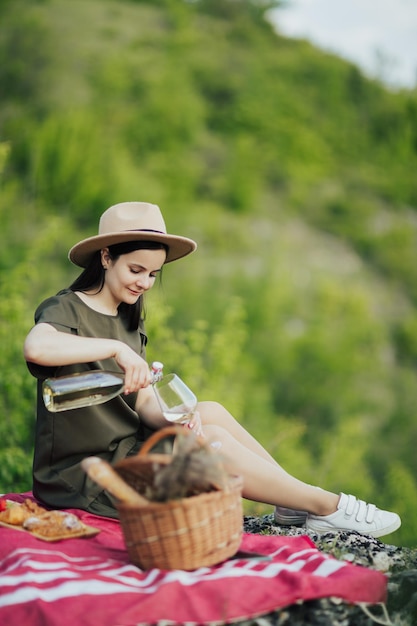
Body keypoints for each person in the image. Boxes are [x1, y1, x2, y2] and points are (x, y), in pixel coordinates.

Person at [24, 201, 401, 537]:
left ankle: (291, 501)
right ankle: (326, 505)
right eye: (136, 269)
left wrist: (176, 417)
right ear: (106, 257)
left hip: (125, 449)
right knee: (209, 444)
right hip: (85, 475)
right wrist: (116, 351)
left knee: (208, 414)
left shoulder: (127, 320)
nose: (144, 283)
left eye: (153, 274)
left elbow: (140, 405)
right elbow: (37, 347)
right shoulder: (67, 309)